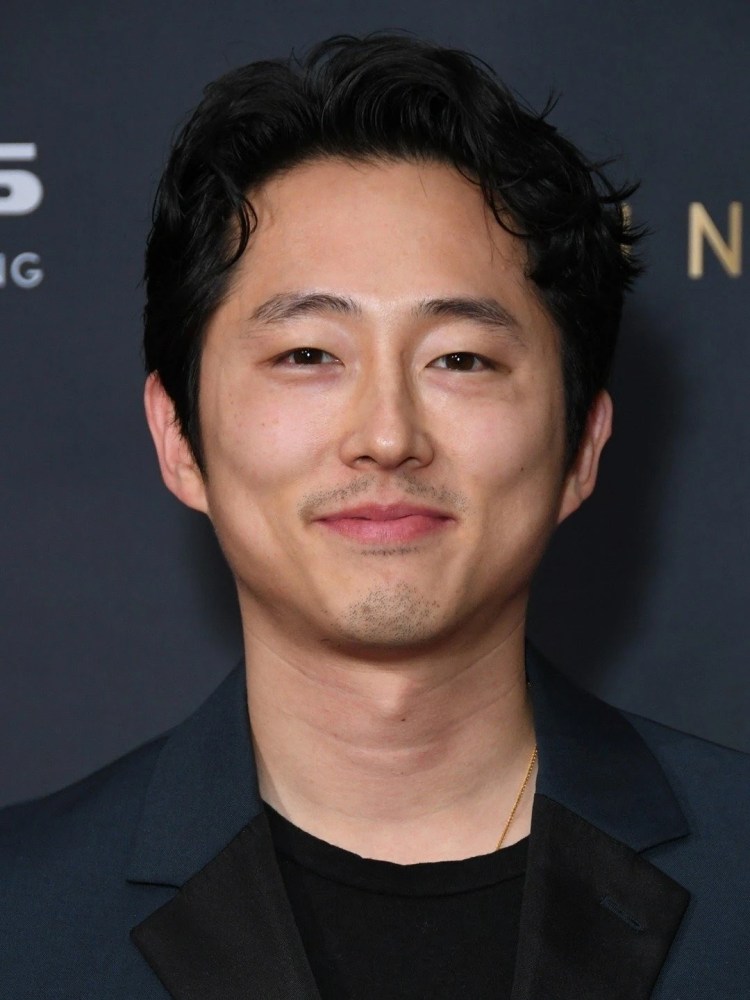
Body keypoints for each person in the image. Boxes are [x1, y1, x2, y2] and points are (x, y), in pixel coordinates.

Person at [1, 33, 748, 1000]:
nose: (388, 436)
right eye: (309, 355)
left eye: (460, 359)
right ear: (179, 438)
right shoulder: (23, 918)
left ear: (582, 448)